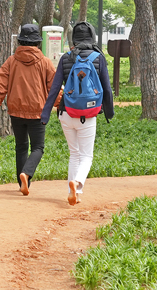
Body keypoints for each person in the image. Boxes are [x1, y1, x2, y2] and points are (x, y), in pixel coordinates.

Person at [42, 21, 114, 206]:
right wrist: (109, 112)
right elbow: (107, 89)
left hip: (66, 113)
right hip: (88, 114)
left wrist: (46, 113)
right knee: (86, 156)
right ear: (92, 36)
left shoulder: (66, 58)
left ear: (74, 38)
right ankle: (78, 183)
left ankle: (72, 193)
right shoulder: (98, 58)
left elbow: (55, 88)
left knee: (74, 154)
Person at [0, 24, 57, 196]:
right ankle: (26, 173)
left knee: (21, 146)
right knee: (38, 147)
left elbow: (0, 87)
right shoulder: (45, 62)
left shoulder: (11, 62)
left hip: (16, 112)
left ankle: (22, 184)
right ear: (38, 43)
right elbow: (54, 88)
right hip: (37, 112)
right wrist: (60, 105)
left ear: (20, 41)